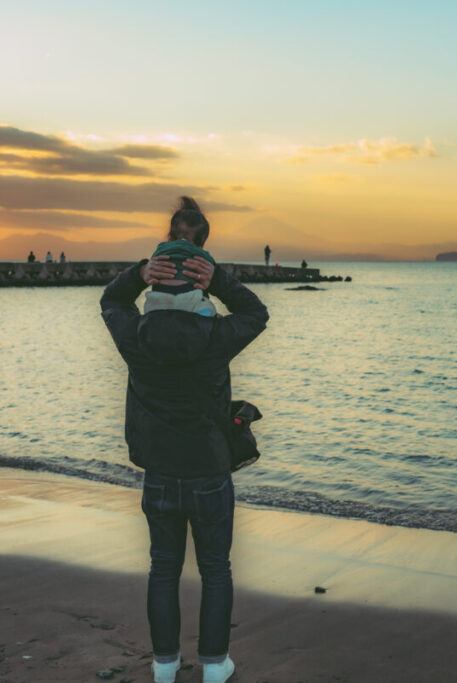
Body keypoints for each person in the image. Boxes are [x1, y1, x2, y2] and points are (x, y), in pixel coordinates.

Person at [101, 196, 268, 683]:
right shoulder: (216, 335)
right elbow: (256, 312)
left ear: (159, 276)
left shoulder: (137, 333)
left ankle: (165, 665)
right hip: (209, 471)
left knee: (163, 569)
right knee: (215, 570)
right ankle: (215, 665)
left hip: (159, 471)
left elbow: (111, 301)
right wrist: (217, 280)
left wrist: (139, 274)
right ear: (199, 275)